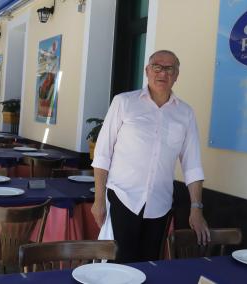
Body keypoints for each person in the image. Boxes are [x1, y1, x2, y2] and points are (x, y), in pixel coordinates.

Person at [91, 50, 210, 263]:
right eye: (157, 67)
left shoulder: (185, 113)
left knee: (149, 265)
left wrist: (196, 208)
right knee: (117, 266)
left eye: (169, 68)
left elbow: (192, 165)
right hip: (123, 198)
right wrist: (99, 200)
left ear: (177, 75)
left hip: (160, 204)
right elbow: (102, 154)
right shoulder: (124, 102)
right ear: (147, 71)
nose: (162, 73)